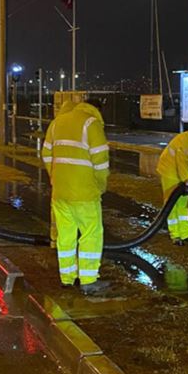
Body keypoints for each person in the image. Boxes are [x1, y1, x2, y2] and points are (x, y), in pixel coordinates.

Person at [42, 99, 110, 295]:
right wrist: (100, 185)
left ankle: (67, 277)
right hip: (84, 192)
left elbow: (46, 155)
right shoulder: (91, 123)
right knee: (91, 233)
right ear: (96, 109)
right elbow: (101, 161)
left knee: (65, 235)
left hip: (60, 192)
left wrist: (55, 177)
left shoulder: (57, 123)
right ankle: (88, 280)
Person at [47, 100, 77, 249]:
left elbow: (46, 153)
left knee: (58, 210)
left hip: (59, 179)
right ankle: (71, 242)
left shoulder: (55, 124)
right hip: (78, 179)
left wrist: (51, 173)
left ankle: (55, 239)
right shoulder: (81, 125)